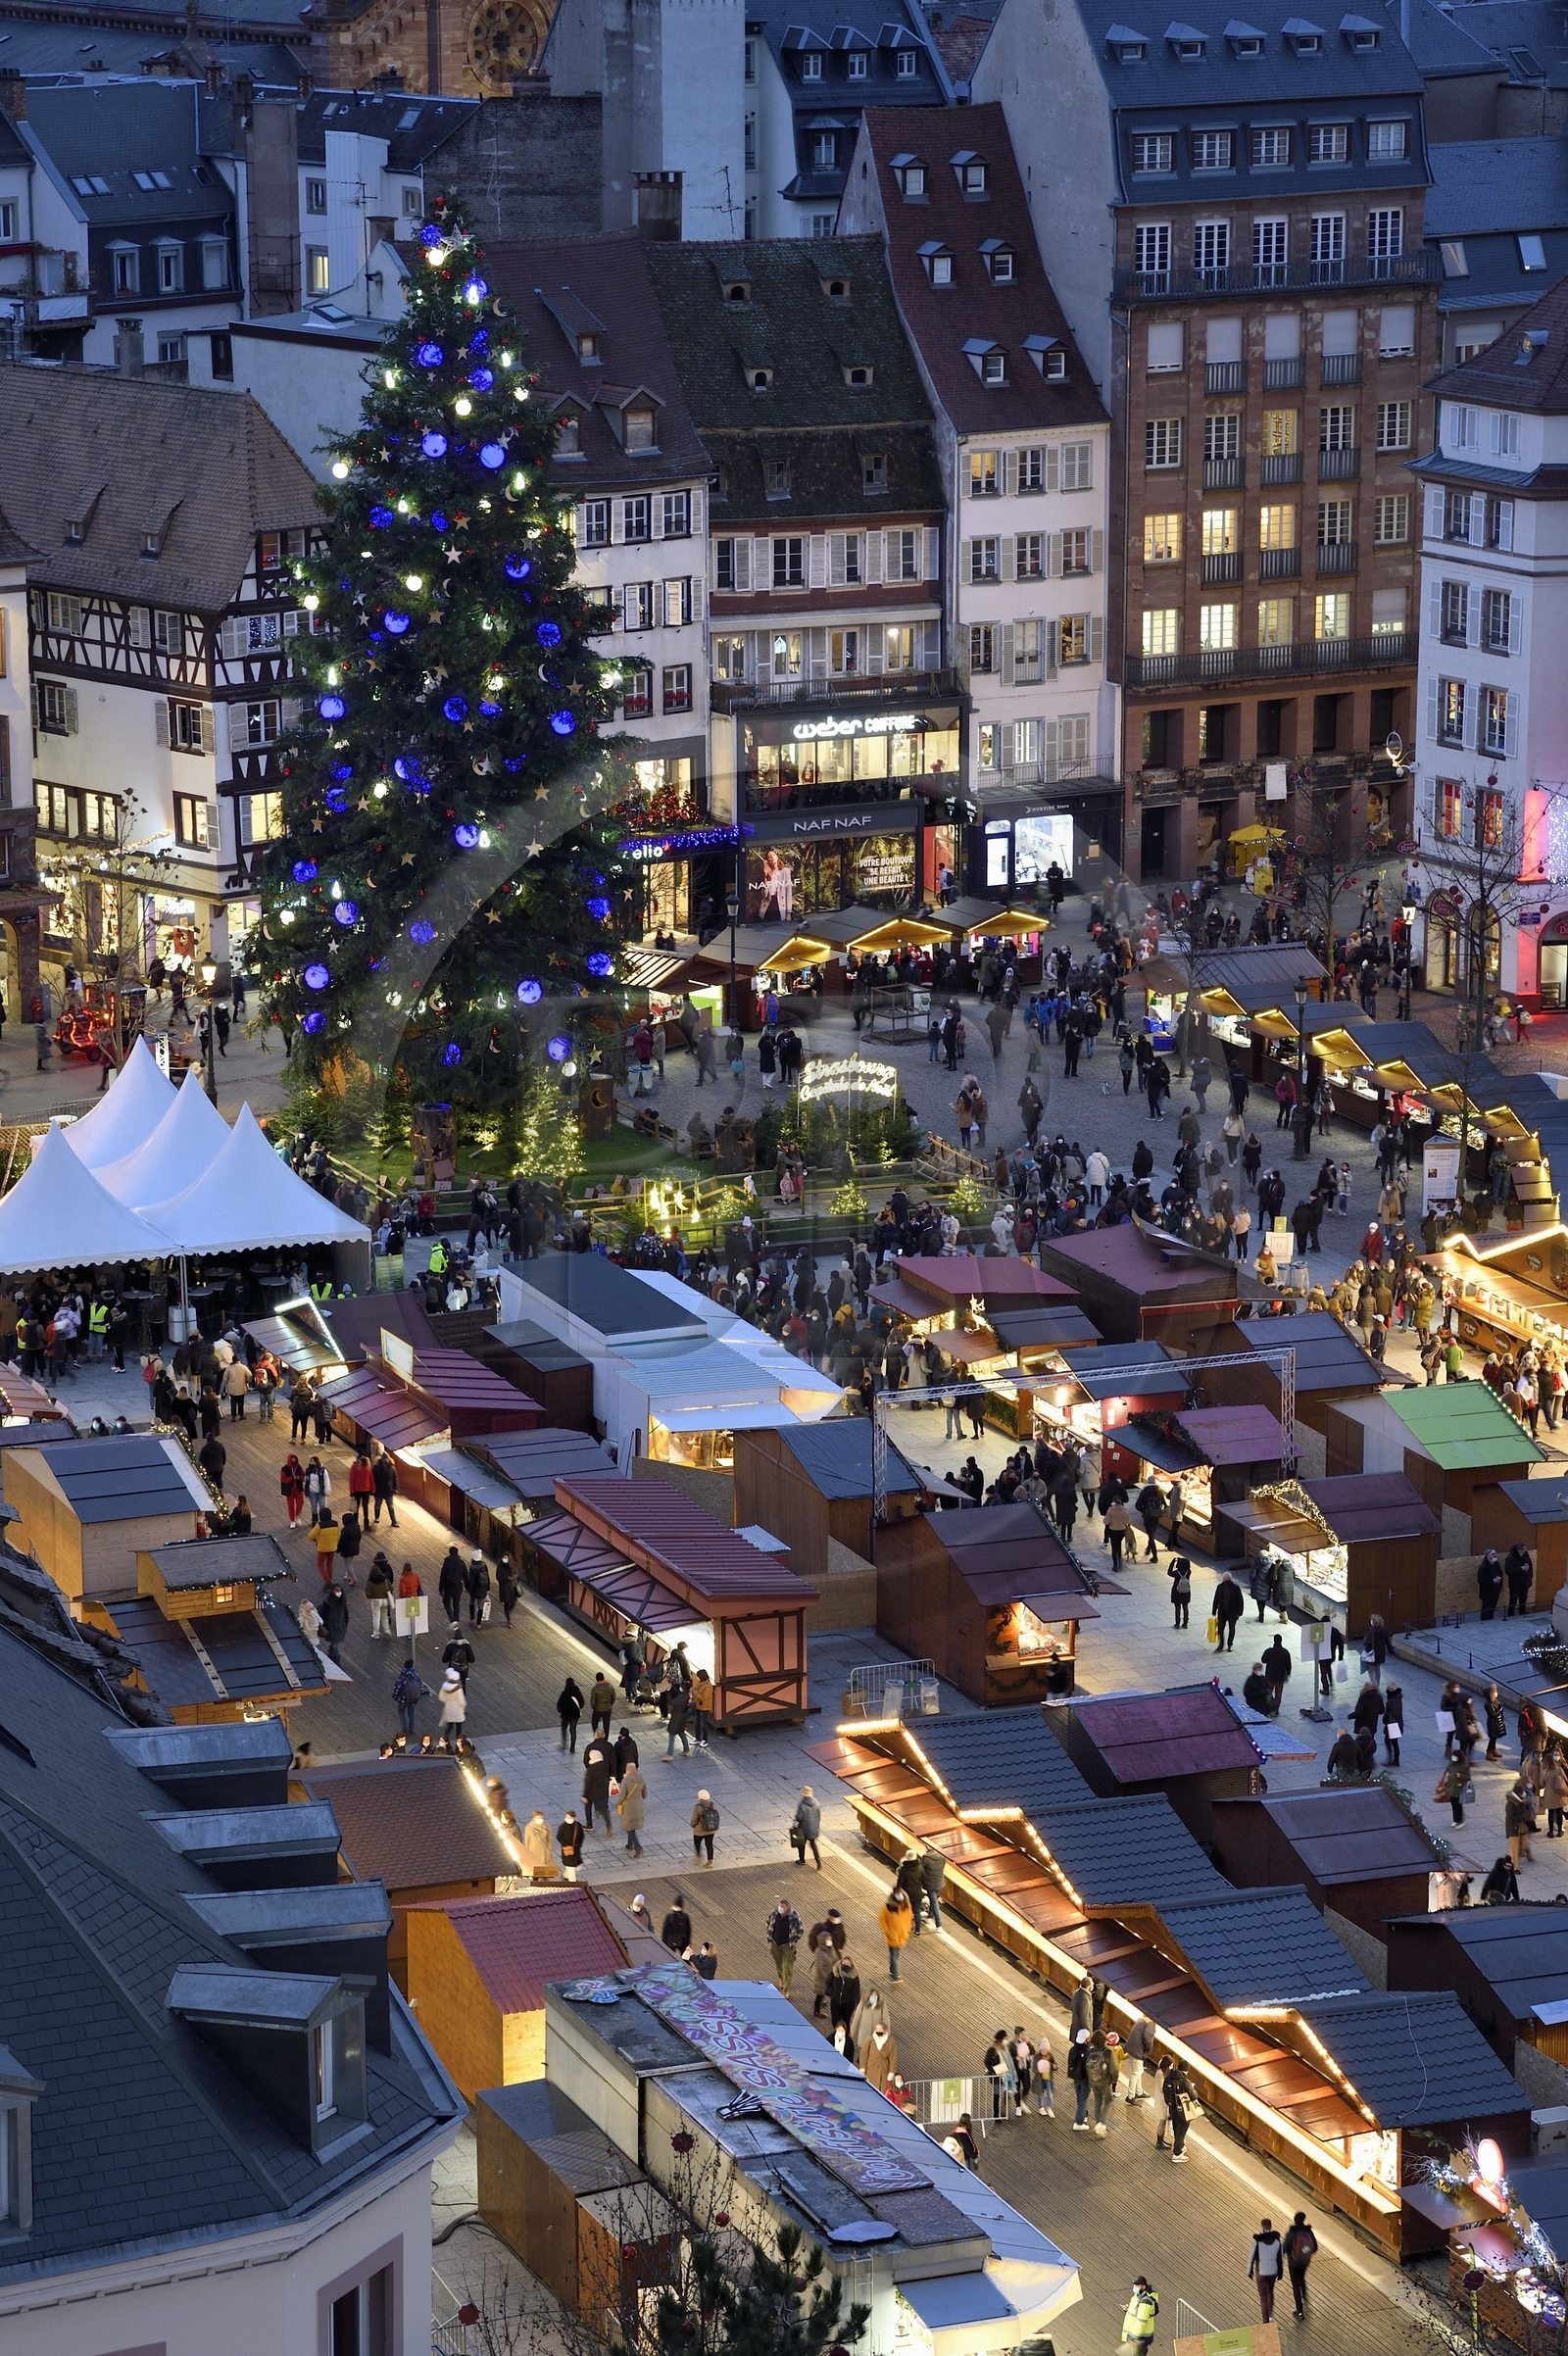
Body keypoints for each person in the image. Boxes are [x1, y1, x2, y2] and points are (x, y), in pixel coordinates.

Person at [1249, 2219, 1285, 2325]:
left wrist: (1249, 2270)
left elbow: (1252, 2256)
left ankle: (1265, 2321)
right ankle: (1270, 2316)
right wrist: (1280, 2271)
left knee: (1263, 2296)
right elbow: (1280, 2258)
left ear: (1262, 2226)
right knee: (1270, 2292)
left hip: (1261, 2271)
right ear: (1271, 2226)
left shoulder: (1258, 2240)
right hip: (1273, 2270)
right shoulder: (1277, 2240)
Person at [1283, 2213, 1318, 2318]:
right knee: (1302, 2278)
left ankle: (1299, 2311)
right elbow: (1315, 2247)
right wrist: (1306, 2255)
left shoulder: (1291, 2233)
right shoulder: (1309, 2231)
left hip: (1293, 2263)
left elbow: (1284, 2248)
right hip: (1304, 2262)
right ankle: (1306, 2298)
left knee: (1295, 2285)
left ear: (1294, 2220)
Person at [765, 1895, 804, 1993]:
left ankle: (786, 1989)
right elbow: (768, 1922)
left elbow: (800, 1930)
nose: (780, 1909)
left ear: (787, 1907)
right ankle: (781, 1978)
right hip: (775, 1943)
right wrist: (770, 1935)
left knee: (788, 1968)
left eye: (782, 1907)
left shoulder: (794, 1916)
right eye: (779, 1906)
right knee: (778, 1964)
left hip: (787, 1945)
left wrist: (793, 1940)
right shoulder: (774, 1913)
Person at [1085, 2029, 1120, 2134]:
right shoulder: (1108, 2052)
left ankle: (1097, 2123)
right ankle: (1101, 2122)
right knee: (1108, 2101)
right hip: (1104, 2082)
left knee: (1097, 2101)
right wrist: (1114, 2079)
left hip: (1093, 2080)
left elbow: (1087, 2066)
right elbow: (1114, 2069)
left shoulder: (1090, 2051)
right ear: (1104, 2040)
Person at [880, 1883, 914, 1981]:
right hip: (892, 1935)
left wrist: (908, 1929)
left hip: (902, 1935)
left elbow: (909, 1918)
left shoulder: (906, 1906)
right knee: (894, 1955)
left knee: (896, 1954)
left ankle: (892, 1969)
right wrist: (887, 1931)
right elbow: (882, 1920)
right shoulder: (888, 1908)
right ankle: (895, 1973)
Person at [1121, 2279, 1159, 2356]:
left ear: (1143, 2286)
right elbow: (1137, 2311)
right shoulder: (1138, 2296)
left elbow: (1141, 2321)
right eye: (1134, 2285)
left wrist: (1135, 2338)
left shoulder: (1145, 2301)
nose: (1135, 2287)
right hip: (1136, 2335)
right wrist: (1129, 2309)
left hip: (1140, 2337)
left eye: (1137, 2285)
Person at [616, 1763, 647, 1858]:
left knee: (629, 1827)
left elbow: (622, 1796)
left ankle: (638, 1847)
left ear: (627, 1770)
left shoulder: (625, 1781)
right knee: (631, 1826)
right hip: (638, 1807)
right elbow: (645, 1794)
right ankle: (629, 1844)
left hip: (628, 1807)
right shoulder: (641, 1779)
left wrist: (619, 1803)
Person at [392, 1655, 426, 1739]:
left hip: (403, 1700)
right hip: (413, 1699)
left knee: (401, 1712)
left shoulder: (402, 1677)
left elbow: (397, 1688)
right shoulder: (415, 1676)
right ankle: (411, 1729)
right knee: (411, 1713)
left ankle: (404, 1728)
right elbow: (420, 1687)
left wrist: (395, 1697)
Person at [791, 1785, 822, 1869]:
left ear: (803, 1794)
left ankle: (802, 1860)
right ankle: (818, 1861)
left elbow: (799, 1817)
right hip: (813, 1827)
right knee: (813, 1844)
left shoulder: (802, 1804)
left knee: (801, 1844)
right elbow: (819, 1816)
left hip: (803, 1828)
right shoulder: (817, 1803)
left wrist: (795, 1823)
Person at [1212, 1572, 1244, 1652]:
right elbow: (1216, 1599)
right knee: (1220, 1629)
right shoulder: (1220, 1587)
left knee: (1231, 1629)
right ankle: (1222, 1644)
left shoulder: (1235, 1588)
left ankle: (1229, 1644)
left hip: (1232, 1613)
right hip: (1222, 1612)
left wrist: (1239, 1612)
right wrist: (1214, 1609)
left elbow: (1240, 1601)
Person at [436, 1666, 466, 1751]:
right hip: (458, 1709)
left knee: (449, 1726)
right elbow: (461, 1700)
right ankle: (459, 1744)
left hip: (449, 1708)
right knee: (458, 1728)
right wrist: (464, 1707)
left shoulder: (445, 1687)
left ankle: (443, 1741)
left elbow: (441, 1697)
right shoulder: (458, 1688)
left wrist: (448, 1701)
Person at [320, 1580, 349, 1666]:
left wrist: (345, 1624)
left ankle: (330, 1657)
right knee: (335, 1645)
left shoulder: (342, 1602)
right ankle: (336, 1662)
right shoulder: (328, 1603)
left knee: (334, 1644)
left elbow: (346, 1615)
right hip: (331, 1628)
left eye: (339, 1590)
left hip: (340, 1627)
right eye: (337, 1590)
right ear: (332, 1591)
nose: (338, 1592)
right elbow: (323, 1615)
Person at [365, 1556, 394, 1640]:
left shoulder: (370, 1582)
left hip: (376, 1601)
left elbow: (368, 1594)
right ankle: (387, 1630)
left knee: (376, 1617)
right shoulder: (384, 1580)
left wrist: (372, 1596)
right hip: (385, 1600)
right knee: (384, 1616)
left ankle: (376, 1634)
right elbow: (391, 1588)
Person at [691, 1788, 720, 1864]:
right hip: (711, 1829)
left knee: (697, 1843)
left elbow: (694, 1819)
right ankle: (710, 1861)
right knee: (709, 1845)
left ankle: (698, 1858)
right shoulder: (713, 1805)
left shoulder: (697, 1807)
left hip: (699, 1831)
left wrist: (693, 1825)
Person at [557, 1812, 586, 1884]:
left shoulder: (578, 1825)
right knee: (570, 1867)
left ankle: (566, 1875)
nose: (568, 1819)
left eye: (569, 1817)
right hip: (567, 1850)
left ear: (573, 1817)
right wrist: (565, 1844)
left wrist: (578, 1844)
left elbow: (581, 1836)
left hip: (576, 1850)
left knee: (579, 1866)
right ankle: (573, 1883)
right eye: (567, 1817)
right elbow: (559, 1837)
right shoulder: (563, 1827)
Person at [1477, 1546, 1505, 1620]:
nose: (1494, 1556)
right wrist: (1492, 1581)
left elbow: (1501, 1574)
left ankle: (1490, 1620)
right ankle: (1484, 1622)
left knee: (1492, 1608)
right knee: (1486, 1609)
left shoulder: (1496, 1565)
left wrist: (1499, 1581)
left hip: (1495, 1591)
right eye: (1492, 1555)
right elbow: (1481, 1580)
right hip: (1487, 1592)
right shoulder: (1483, 1567)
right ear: (1488, 1556)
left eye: (1495, 1554)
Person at [557, 1677, 583, 1752]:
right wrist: (578, 1709)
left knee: (564, 1728)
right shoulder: (577, 1692)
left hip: (565, 1714)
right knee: (573, 1730)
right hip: (575, 1714)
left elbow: (560, 1703)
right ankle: (572, 1747)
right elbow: (582, 1703)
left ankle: (564, 1744)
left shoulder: (564, 1693)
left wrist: (560, 1710)